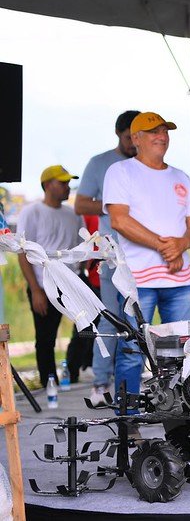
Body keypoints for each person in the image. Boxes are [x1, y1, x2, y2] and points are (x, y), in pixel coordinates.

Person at [103, 112, 190, 405]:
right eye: (153, 131)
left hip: (180, 280)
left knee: (182, 352)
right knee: (134, 350)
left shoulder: (181, 176)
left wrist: (182, 243)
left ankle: (178, 414)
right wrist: (165, 247)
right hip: (139, 281)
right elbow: (120, 220)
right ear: (136, 139)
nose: (162, 136)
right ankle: (129, 416)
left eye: (164, 131)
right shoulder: (121, 172)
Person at [75, 110, 139, 404]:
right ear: (118, 134)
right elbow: (80, 203)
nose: (133, 143)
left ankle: (134, 383)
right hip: (112, 255)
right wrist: (113, 206)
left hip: (144, 256)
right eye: (129, 137)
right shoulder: (100, 163)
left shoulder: (148, 164)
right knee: (111, 319)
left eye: (139, 137)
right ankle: (100, 384)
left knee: (140, 321)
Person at [17, 165, 83, 386]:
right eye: (62, 182)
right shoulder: (31, 212)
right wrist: (36, 290)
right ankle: (48, 384)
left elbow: (79, 249)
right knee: (46, 338)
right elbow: (23, 253)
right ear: (47, 185)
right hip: (45, 284)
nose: (67, 187)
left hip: (71, 282)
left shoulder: (73, 214)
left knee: (88, 326)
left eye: (67, 182)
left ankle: (73, 374)